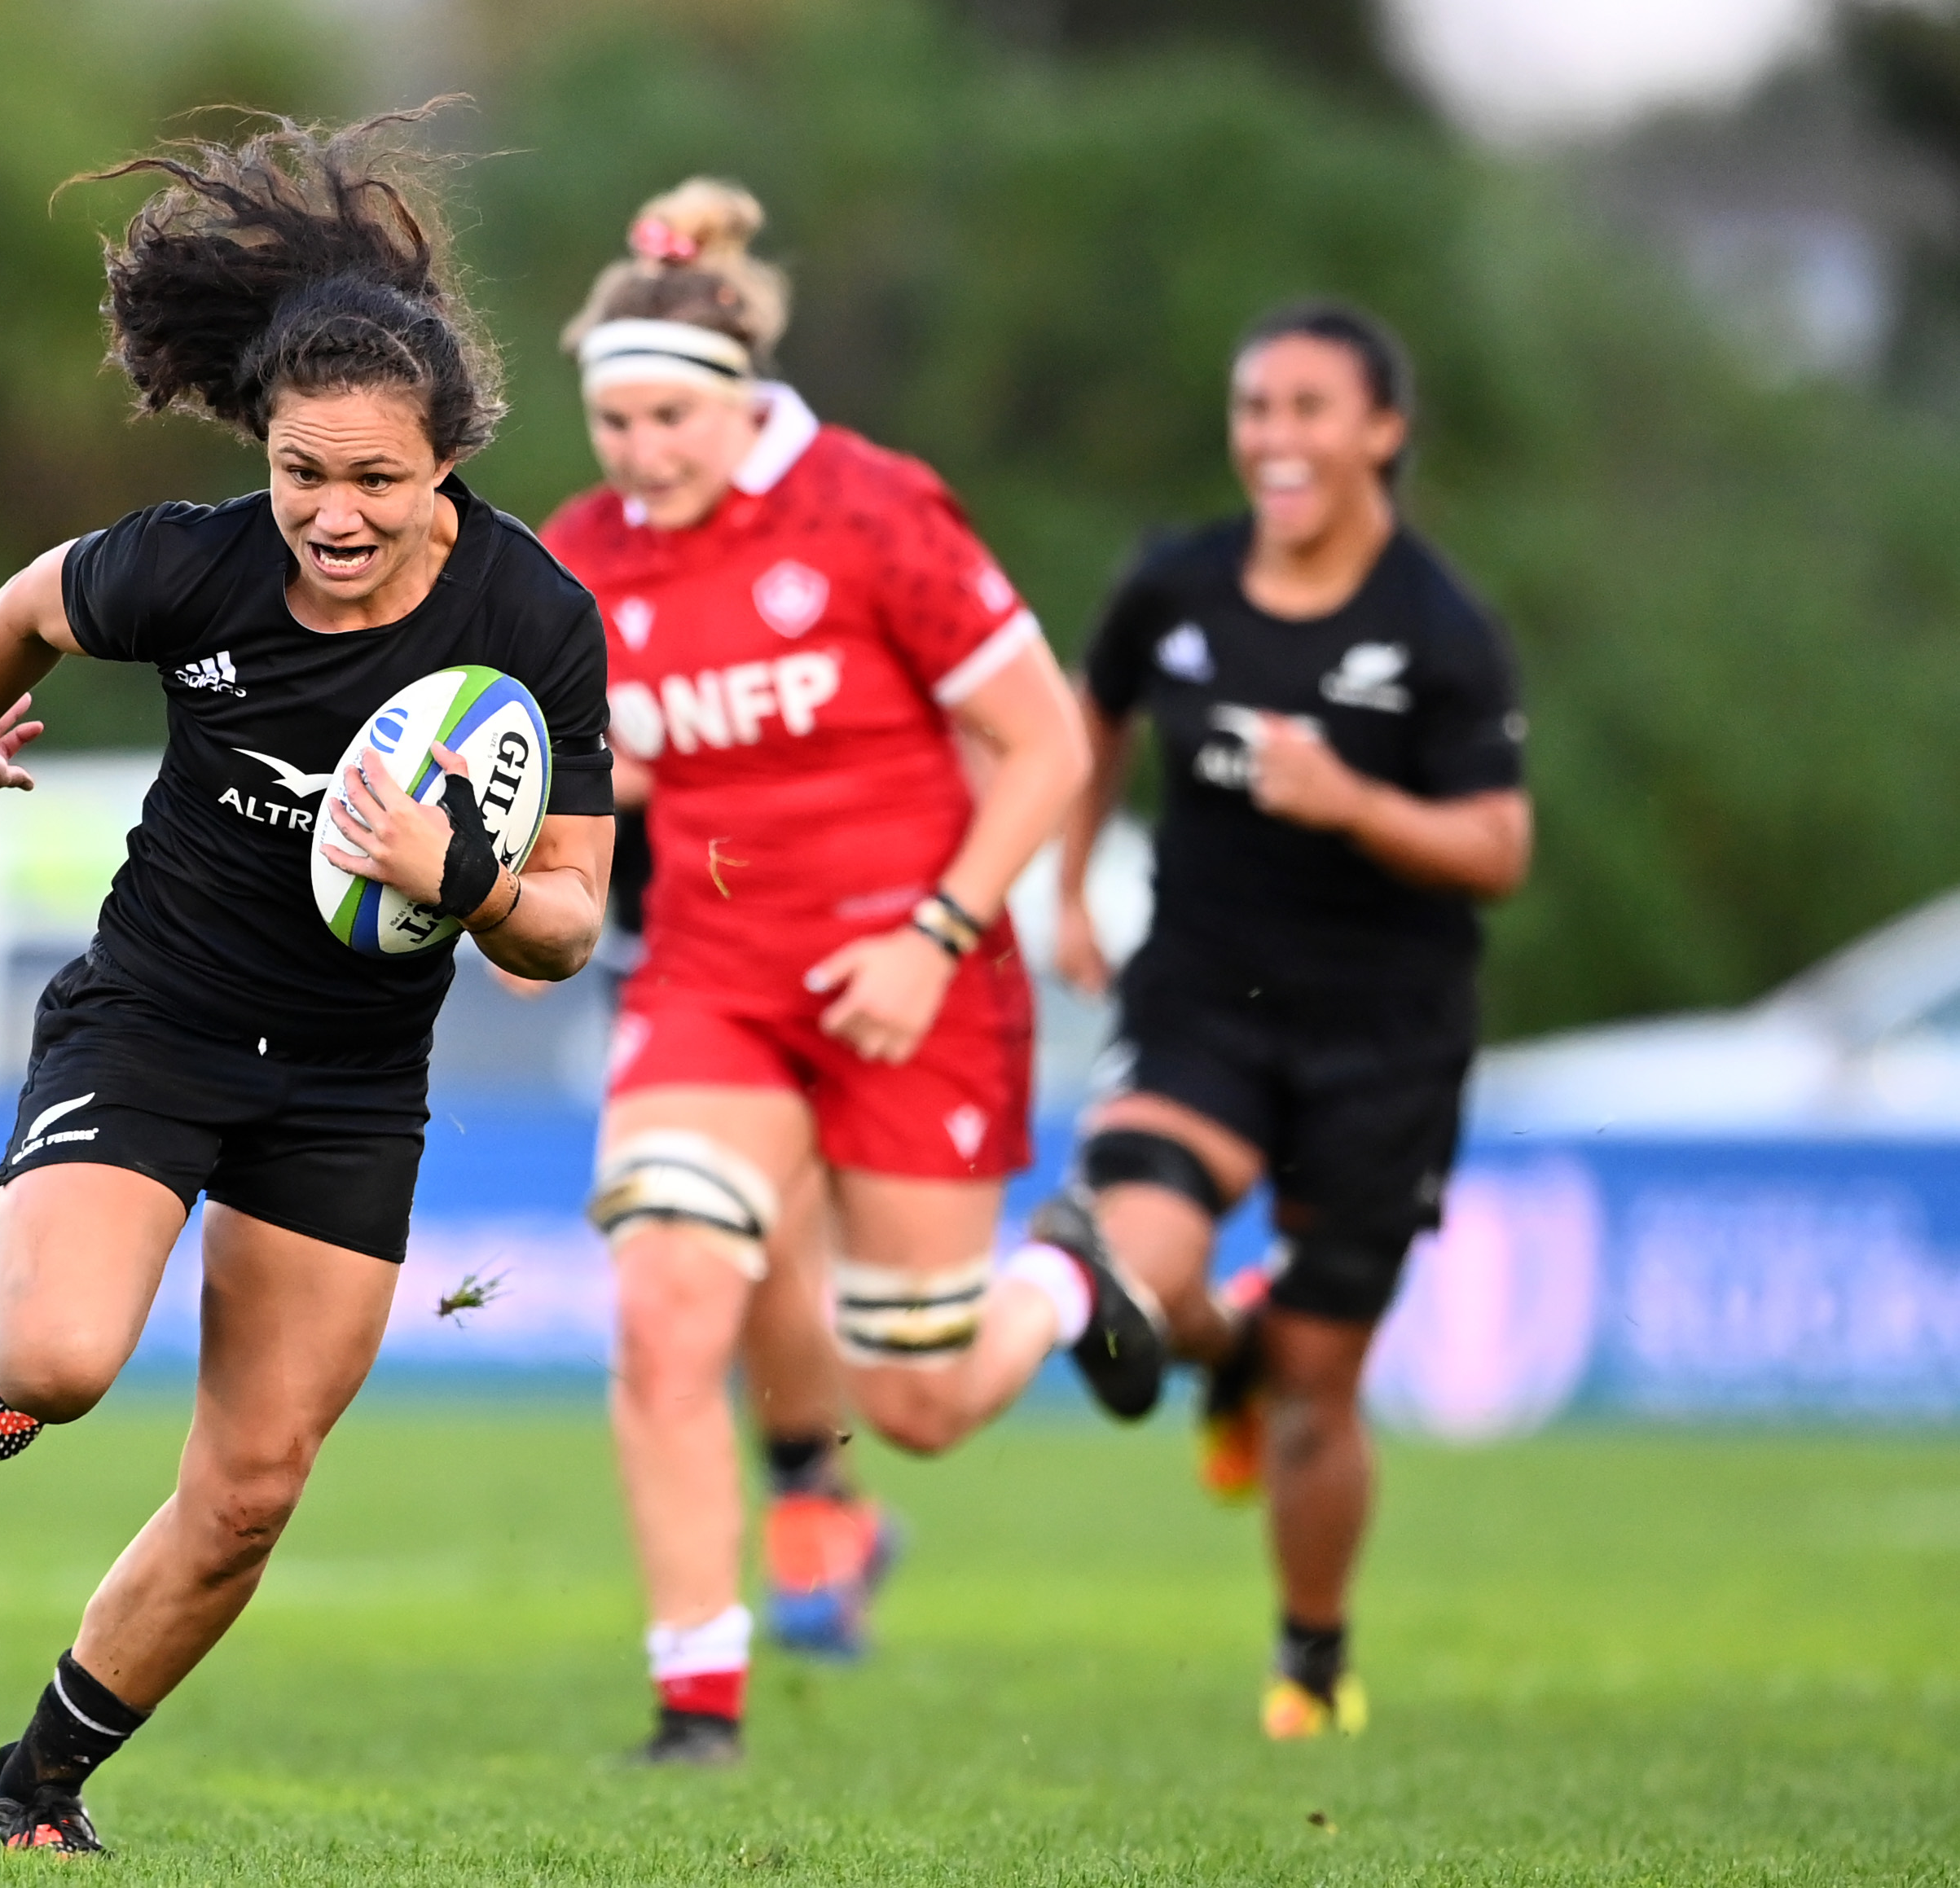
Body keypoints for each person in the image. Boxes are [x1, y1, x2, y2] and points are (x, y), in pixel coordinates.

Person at [0, 109, 614, 1852]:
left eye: (376, 481)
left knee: (249, 1491)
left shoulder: (532, 621)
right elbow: (22, 603)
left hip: (351, 1078)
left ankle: (38, 1788)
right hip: (152, 1017)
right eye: (306, 474)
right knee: (60, 1364)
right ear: (269, 451)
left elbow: (568, 929)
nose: (335, 515)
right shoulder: (197, 562)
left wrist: (457, 879)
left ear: (445, 459)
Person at [540, 179, 1166, 1767]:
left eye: (668, 417)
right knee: (667, 1303)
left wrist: (931, 938)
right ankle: (696, 1697)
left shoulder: (872, 509)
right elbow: (589, 778)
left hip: (923, 979)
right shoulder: (580, 558)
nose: (637, 454)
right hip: (711, 980)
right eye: (611, 422)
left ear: (740, 398)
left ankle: (1065, 1275)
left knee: (919, 1406)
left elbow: (1040, 743)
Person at [1053, 301, 1532, 1741]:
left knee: (1324, 1382)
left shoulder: (1440, 629)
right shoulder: (1177, 586)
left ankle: (1311, 1663)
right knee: (1125, 1266)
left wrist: (1356, 803)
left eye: (1307, 408)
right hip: (1200, 995)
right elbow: (1092, 713)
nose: (1274, 436)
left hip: (1383, 1032)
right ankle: (1194, 1336)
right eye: (1254, 406)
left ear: (1380, 430)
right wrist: (1068, 886)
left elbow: (1500, 850)